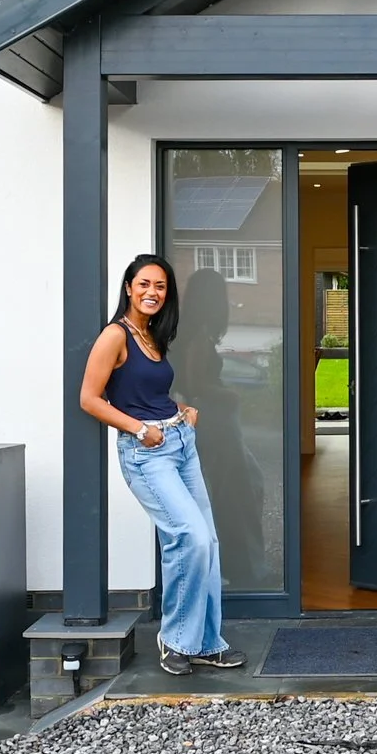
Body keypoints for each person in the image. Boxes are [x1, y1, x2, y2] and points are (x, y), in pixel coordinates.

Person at [78, 254, 244, 676]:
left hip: (180, 440)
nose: (153, 292)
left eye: (161, 286)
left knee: (207, 539)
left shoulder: (152, 335)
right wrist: (139, 428)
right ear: (129, 288)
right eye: (145, 284)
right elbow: (90, 399)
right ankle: (175, 640)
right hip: (147, 452)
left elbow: (149, 391)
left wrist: (181, 408)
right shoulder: (114, 336)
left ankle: (206, 642)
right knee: (188, 536)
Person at [174, 266, 275, 590]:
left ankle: (235, 567)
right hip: (216, 423)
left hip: (211, 423)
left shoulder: (189, 332)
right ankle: (247, 571)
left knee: (236, 489)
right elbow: (195, 384)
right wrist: (229, 393)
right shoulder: (197, 336)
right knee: (239, 493)